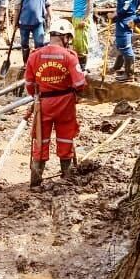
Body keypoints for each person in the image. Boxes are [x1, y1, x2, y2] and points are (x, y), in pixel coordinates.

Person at [23, 18, 87, 188]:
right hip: (65, 105)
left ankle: (35, 181)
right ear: (66, 38)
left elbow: (29, 85)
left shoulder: (35, 56)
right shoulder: (70, 57)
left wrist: (38, 94)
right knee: (66, 139)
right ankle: (67, 179)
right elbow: (80, 84)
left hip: (43, 104)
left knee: (41, 140)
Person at [110, 0, 140, 82]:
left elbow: (125, 7)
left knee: (125, 45)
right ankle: (117, 67)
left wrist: (115, 14)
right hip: (132, 15)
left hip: (124, 19)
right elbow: (139, 0)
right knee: (120, 44)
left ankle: (129, 73)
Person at [17, 0, 51, 65]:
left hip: (38, 22)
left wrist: (50, 17)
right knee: (24, 43)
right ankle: (25, 63)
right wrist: (15, 22)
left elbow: (48, 4)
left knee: (39, 44)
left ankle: (38, 63)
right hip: (24, 22)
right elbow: (17, 7)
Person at [69, 0, 94, 72]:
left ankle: (83, 67)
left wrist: (85, 19)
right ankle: (79, 65)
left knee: (82, 43)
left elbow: (90, 2)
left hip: (81, 16)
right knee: (76, 42)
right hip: (76, 14)